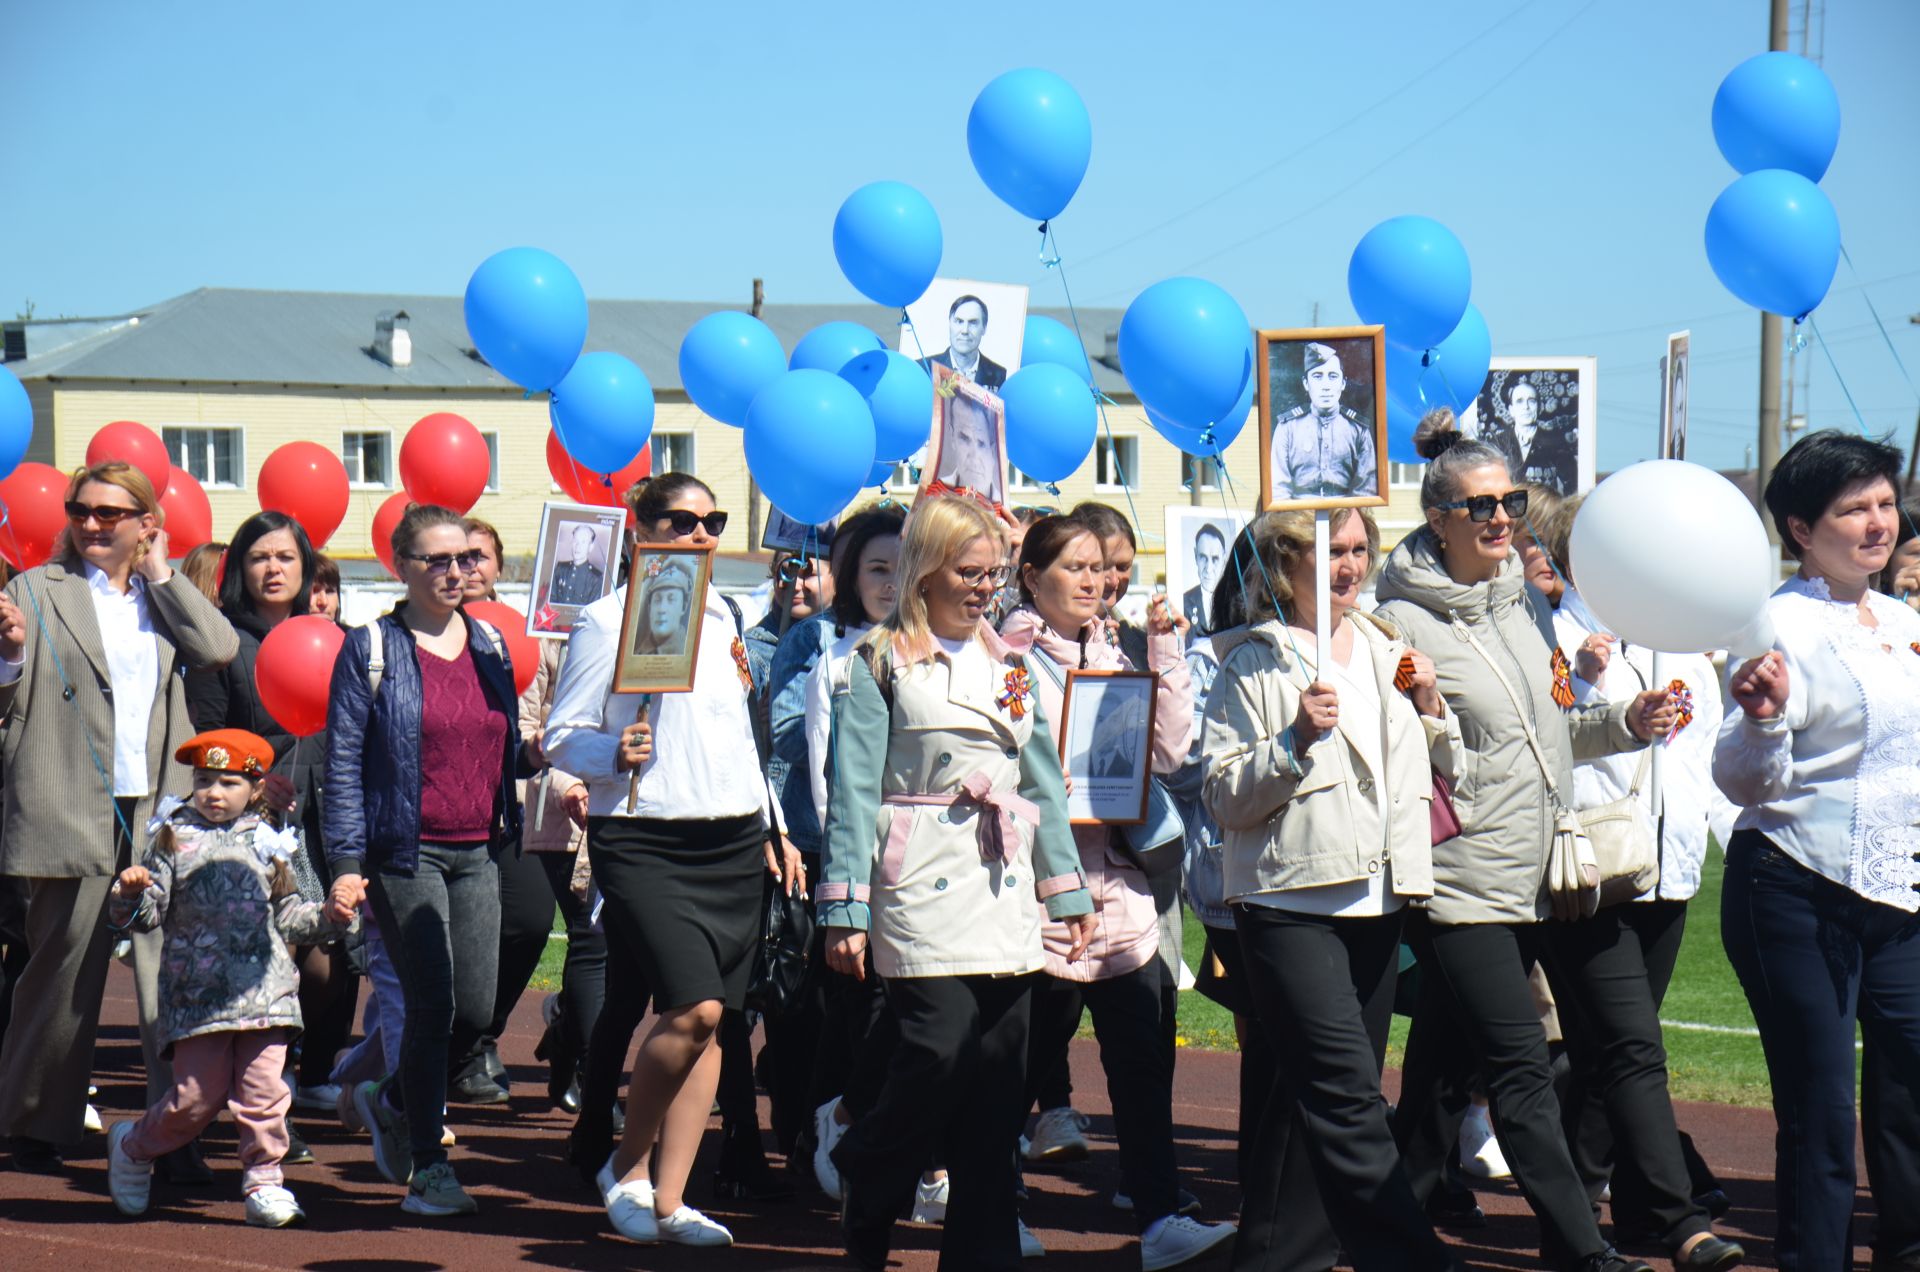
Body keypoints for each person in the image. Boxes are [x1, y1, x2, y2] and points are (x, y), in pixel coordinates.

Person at [1374, 411, 1688, 1272]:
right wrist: (1433, 718)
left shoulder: (1520, 605)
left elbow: (1551, 731)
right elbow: (1411, 752)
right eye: (1479, 507)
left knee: (1452, 1064)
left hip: (1553, 871)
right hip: (1464, 877)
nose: (1501, 517)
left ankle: (1391, 1221)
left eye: (1509, 500)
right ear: (1437, 521)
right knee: (1519, 1065)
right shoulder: (1397, 625)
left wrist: (1622, 719)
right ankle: (1582, 1251)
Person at [819, 495, 1095, 1271]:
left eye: (992, 573)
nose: (982, 587)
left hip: (1000, 884)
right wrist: (845, 904)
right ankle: (869, 1163)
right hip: (918, 881)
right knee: (937, 1050)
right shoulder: (880, 661)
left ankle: (981, 1253)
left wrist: (1065, 891)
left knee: (995, 1095)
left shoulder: (1010, 665)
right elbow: (854, 790)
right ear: (926, 570)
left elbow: (1040, 782)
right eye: (967, 572)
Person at [546, 472, 803, 1249]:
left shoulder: (724, 611)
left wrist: (774, 825)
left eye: (712, 522)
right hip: (646, 833)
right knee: (692, 1008)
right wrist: (609, 748)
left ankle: (671, 1198)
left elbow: (742, 733)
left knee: (717, 1028)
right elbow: (561, 736)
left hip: (730, 833)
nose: (700, 535)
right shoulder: (605, 617)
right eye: (683, 521)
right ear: (642, 525)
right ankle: (623, 1166)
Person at [1203, 506, 1460, 1271]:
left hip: (1380, 899)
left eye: (1358, 548)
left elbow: (1443, 770)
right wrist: (1292, 742)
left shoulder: (1389, 648)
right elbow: (1220, 795)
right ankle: (1415, 1259)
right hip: (1289, 905)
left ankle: (1277, 1259)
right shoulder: (1254, 661)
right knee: (1350, 1101)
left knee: (1301, 1101)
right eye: (1329, 551)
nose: (1348, 565)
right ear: (1285, 564)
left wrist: (1433, 709)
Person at [1000, 512, 1234, 1270]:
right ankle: (993, 1210)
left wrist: (1164, 653)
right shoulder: (1006, 658)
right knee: (1021, 1069)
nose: (1096, 582)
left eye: (1103, 568)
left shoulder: (1119, 649)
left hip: (1124, 889)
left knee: (1141, 1060)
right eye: (1077, 567)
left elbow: (1171, 750)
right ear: (1032, 578)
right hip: (1041, 893)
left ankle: (1161, 1214)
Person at [1714, 430, 1920, 1271]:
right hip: (1793, 886)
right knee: (1821, 1111)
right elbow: (1743, 779)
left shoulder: (1905, 621)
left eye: (1884, 504)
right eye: (1853, 509)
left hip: (1900, 892)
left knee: (1910, 1091)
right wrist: (1763, 717)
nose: (1879, 523)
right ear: (1801, 529)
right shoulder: (1776, 625)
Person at [0, 461, 239, 1178]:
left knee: (170, 974)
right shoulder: (36, 590)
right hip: (68, 800)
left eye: (111, 513)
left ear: (146, 524)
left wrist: (164, 574)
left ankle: (177, 1127)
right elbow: (6, 694)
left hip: (158, 807)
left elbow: (219, 649)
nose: (93, 524)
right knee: (64, 972)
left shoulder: (161, 598)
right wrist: (10, 654)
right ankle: (40, 1122)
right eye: (82, 510)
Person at [324, 504, 527, 1217]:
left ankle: (388, 1094)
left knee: (474, 1009)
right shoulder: (372, 646)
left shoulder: (491, 646)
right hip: (402, 853)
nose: (454, 572)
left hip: (480, 848)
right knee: (433, 1002)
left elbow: (502, 745)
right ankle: (430, 1164)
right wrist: (347, 860)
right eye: (436, 561)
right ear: (399, 567)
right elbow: (344, 760)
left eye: (466, 559)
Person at [1543, 500, 1735, 1240]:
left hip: (1671, 870)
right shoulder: (1550, 633)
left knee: (1602, 1053)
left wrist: (1737, 843)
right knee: (1631, 1046)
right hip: (1589, 870)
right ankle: (1673, 1215)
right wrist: (1586, 683)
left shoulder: (1681, 640)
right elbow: (1544, 733)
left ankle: (1573, 1212)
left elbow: (1706, 757)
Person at [104, 728, 356, 1228]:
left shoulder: (272, 842)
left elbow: (289, 915)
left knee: (265, 1095)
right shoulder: (173, 837)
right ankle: (134, 1147)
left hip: (267, 997)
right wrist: (128, 895)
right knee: (194, 1101)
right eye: (203, 781)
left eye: (228, 782)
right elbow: (150, 915)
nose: (213, 793)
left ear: (256, 789)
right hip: (199, 999)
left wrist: (331, 914)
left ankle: (265, 1182)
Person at [185, 510, 352, 1146]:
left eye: (286, 557)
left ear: (306, 568)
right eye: (260, 557)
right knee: (281, 971)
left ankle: (297, 1086)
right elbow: (204, 746)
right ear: (240, 570)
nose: (274, 568)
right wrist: (252, 785)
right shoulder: (221, 646)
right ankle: (251, 1106)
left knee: (336, 963)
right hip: (248, 833)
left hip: (325, 823)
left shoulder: (337, 640)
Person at [797, 509, 907, 1205]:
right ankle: (836, 1124)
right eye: (877, 568)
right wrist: (847, 891)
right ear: (849, 577)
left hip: (937, 871)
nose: (894, 583)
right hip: (863, 869)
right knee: (864, 1013)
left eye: (906, 566)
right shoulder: (835, 659)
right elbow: (824, 776)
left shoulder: (953, 650)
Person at [1269, 342, 1377, 501]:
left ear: (1343, 384)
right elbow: (1278, 490)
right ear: (1306, 383)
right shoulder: (1287, 428)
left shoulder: (1358, 430)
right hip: (1297, 519)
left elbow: (1365, 490)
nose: (1325, 386)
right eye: (1317, 376)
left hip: (1345, 516)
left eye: (1333, 376)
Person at [1478, 378, 1577, 495]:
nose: (1526, 407)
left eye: (1532, 401)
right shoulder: (1496, 444)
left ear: (1539, 407)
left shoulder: (1556, 444)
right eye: (1519, 401)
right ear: (1511, 410)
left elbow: (1572, 488)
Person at [936, 392, 1005, 505]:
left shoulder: (1002, 511)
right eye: (964, 438)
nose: (974, 456)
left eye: (981, 443)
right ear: (952, 436)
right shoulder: (935, 495)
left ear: (992, 450)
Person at [926, 293, 1007, 389]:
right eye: (959, 321)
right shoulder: (924, 368)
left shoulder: (998, 375)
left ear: (984, 328)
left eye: (973, 323)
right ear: (950, 324)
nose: (965, 330)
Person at [630, 557, 696, 657]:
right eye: (657, 600)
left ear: (683, 607)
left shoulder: (694, 651)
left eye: (671, 599)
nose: (662, 609)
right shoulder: (636, 652)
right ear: (649, 607)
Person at [1181, 522, 1228, 635]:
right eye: (1203, 557)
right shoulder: (1183, 602)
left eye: (1215, 559)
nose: (1208, 568)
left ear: (1224, 558)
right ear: (1195, 555)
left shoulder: (1234, 603)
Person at [549, 523, 606, 608]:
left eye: (583, 542)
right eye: (575, 541)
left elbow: (593, 611)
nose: (578, 546)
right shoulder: (560, 568)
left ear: (590, 547)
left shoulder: (596, 578)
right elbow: (550, 600)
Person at [1667, 351, 1688, 462]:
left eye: (1680, 407)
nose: (1678, 413)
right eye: (1676, 409)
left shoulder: (1683, 441)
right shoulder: (1669, 444)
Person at [309, 555, 341, 623]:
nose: (324, 602)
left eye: (330, 591)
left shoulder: (350, 633)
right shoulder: (281, 632)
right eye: (314, 591)